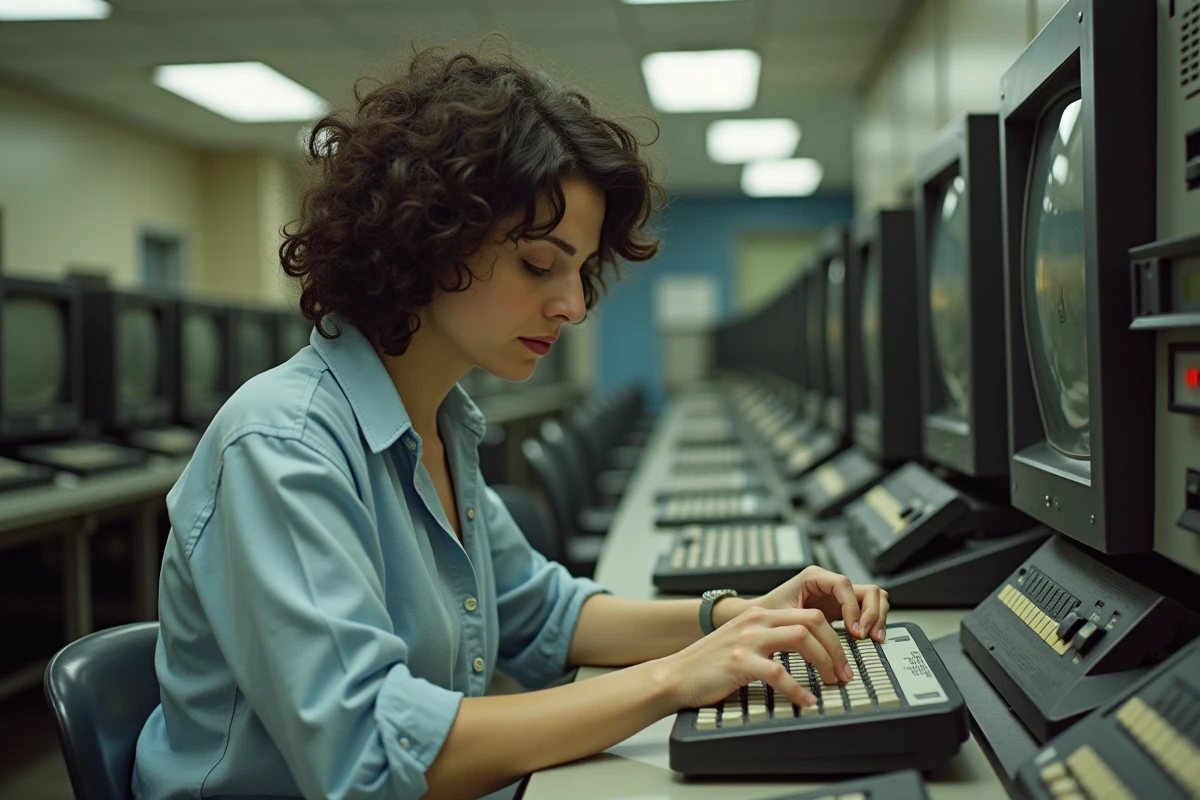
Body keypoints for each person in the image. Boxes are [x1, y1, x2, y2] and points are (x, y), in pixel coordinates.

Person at [132, 39, 891, 800]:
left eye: (581, 270)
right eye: (538, 264)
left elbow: (540, 611)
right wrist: (676, 678)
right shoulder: (282, 445)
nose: (574, 305)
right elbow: (369, 756)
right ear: (428, 237)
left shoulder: (438, 424)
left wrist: (738, 615)